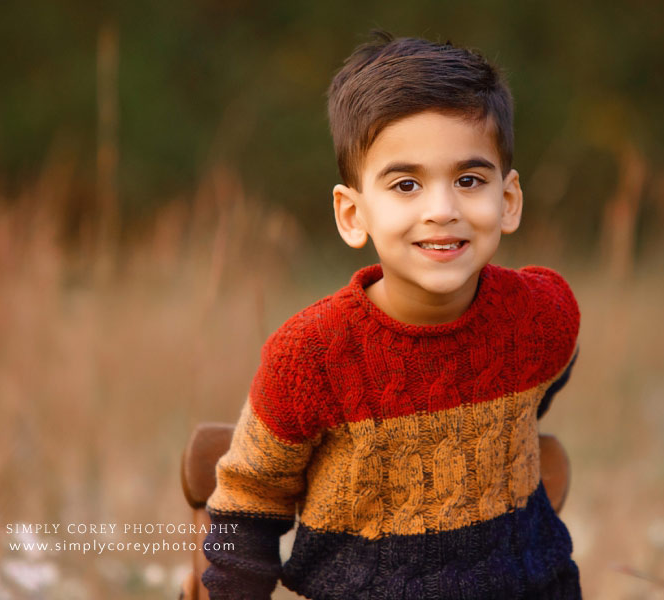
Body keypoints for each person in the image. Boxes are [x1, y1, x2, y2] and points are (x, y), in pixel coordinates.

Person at [201, 30, 582, 599]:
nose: (442, 210)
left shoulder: (539, 316)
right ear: (353, 214)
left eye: (469, 180)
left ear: (507, 201)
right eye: (406, 184)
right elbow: (247, 507)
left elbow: (550, 367)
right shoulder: (311, 357)